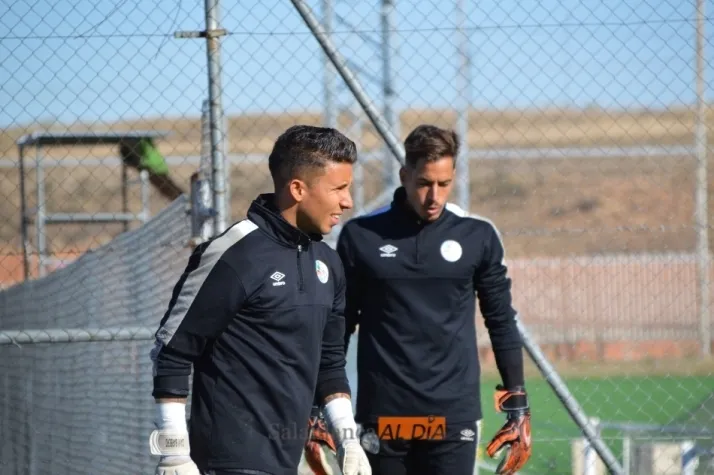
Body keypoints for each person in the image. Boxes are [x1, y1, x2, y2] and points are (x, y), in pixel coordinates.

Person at [148, 125, 373, 475]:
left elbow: (329, 363)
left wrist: (348, 439)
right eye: (339, 189)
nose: (348, 202)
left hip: (287, 461)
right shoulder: (235, 253)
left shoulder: (328, 263)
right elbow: (172, 350)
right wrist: (174, 453)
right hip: (228, 463)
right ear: (298, 189)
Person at [335, 124, 532, 475]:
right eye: (425, 183)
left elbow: (501, 320)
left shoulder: (477, 235)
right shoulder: (361, 236)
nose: (434, 196)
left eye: (444, 183)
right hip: (385, 414)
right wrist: (321, 404)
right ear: (404, 176)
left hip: (452, 415)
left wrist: (517, 405)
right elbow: (339, 326)